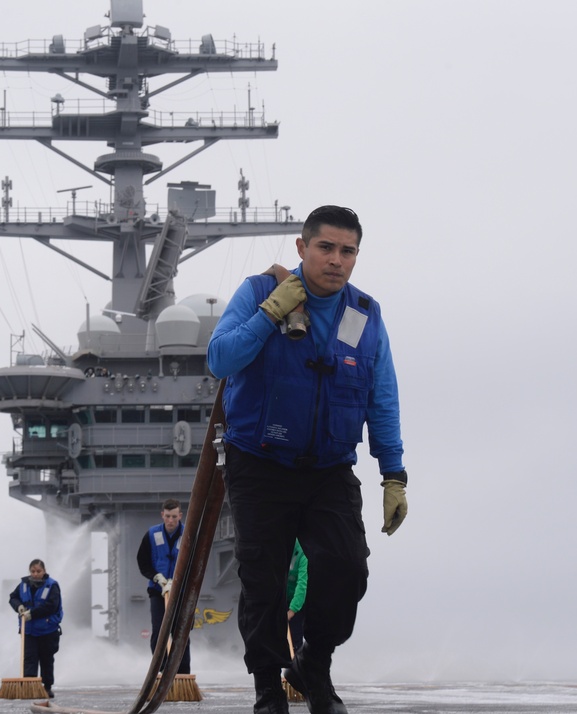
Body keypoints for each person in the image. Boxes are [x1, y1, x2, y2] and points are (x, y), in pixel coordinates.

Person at [207, 205, 409, 714]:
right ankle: (268, 689)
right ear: (302, 248)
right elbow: (220, 359)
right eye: (326, 248)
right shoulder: (258, 294)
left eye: (348, 251)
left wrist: (393, 473)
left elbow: (381, 394)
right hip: (260, 462)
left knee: (346, 570)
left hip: (329, 469)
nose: (337, 260)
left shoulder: (364, 314)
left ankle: (313, 666)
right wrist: (272, 312)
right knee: (264, 579)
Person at [136, 498, 191, 674]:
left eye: (174, 516)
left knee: (181, 631)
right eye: (167, 516)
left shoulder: (189, 534)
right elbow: (142, 561)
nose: (171, 520)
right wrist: (156, 577)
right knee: (159, 631)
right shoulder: (151, 535)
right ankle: (161, 671)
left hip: (181, 591)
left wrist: (179, 580)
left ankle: (182, 673)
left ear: (180, 515)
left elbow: (195, 561)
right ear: (162, 515)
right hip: (157, 590)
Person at [9, 559, 63, 698]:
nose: (35, 574)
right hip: (29, 631)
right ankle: (29, 687)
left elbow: (51, 605)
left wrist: (32, 614)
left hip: (47, 630)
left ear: (44, 571)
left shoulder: (52, 586)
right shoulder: (23, 585)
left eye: (38, 571)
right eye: (33, 571)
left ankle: (47, 687)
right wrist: (19, 606)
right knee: (29, 659)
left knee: (46, 659)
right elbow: (13, 597)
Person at [286, 540, 308, 651]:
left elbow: (302, 585)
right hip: (281, 598)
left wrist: (292, 610)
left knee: (295, 639)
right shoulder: (276, 547)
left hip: (298, 602)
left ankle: (296, 662)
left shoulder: (303, 553)